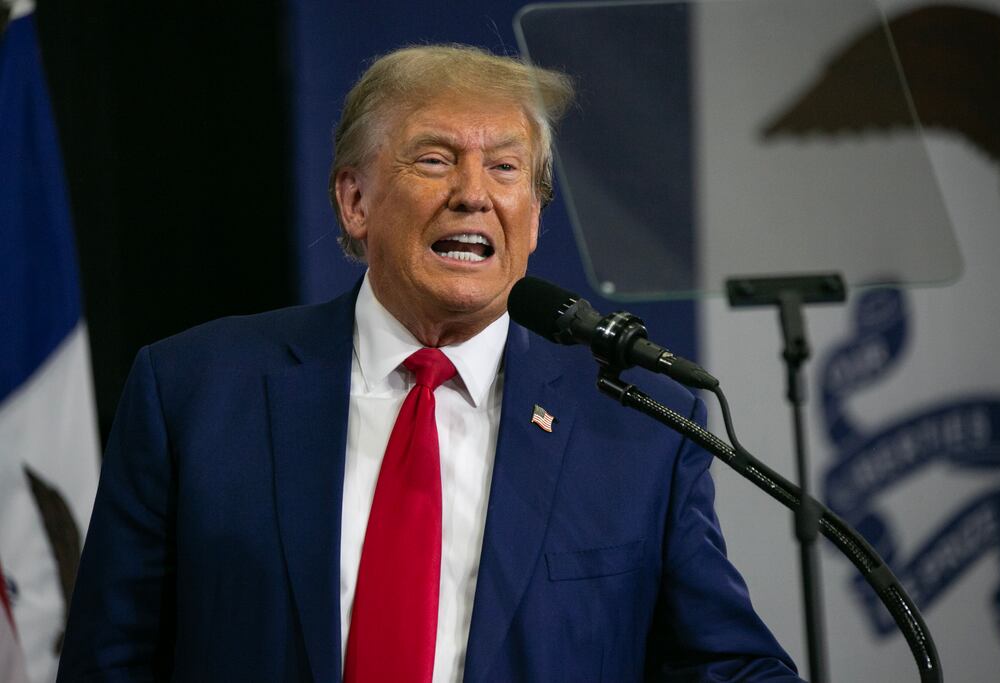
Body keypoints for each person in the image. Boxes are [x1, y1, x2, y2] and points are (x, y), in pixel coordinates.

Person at [57, 44, 802, 682]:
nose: (473, 195)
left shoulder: (638, 427)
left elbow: (726, 665)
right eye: (435, 159)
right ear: (355, 200)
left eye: (505, 167)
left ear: (534, 219)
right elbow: (108, 662)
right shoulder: (193, 394)